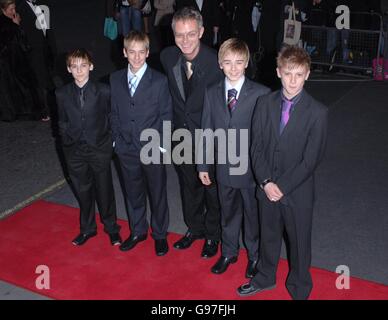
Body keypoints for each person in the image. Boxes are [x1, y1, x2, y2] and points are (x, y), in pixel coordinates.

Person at [237, 45, 328, 300]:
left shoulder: (318, 113)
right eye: (288, 73)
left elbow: (311, 160)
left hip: (297, 193)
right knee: (268, 237)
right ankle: (265, 277)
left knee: (299, 244)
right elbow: (255, 147)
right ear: (278, 72)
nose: (293, 81)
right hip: (266, 188)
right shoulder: (264, 103)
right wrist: (266, 182)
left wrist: (282, 187)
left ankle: (300, 288)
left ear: (307, 74)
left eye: (299, 75)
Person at [198, 38, 270, 277]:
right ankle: (228, 252)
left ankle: (254, 255)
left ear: (247, 63)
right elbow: (206, 130)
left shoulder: (261, 94)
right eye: (227, 62)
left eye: (239, 62)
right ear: (220, 64)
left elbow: (266, 138)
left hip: (251, 170)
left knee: (252, 215)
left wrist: (267, 172)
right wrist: (203, 165)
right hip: (224, 168)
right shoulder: (211, 93)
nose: (233, 67)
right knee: (227, 213)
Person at [160, 7, 223, 258]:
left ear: (202, 32)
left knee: (212, 189)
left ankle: (213, 235)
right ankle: (194, 228)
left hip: (209, 137)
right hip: (181, 135)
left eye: (191, 34)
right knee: (189, 185)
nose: (185, 40)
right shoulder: (166, 57)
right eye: (179, 35)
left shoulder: (217, 62)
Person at [110, 31, 171, 256]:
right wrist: (116, 141)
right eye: (132, 52)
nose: (136, 57)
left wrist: (162, 145)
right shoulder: (115, 79)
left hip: (152, 147)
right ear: (125, 52)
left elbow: (166, 114)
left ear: (147, 52)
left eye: (141, 52)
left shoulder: (159, 80)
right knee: (132, 192)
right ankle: (138, 230)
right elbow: (113, 112)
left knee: (157, 193)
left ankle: (160, 234)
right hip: (126, 148)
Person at [56, 49, 122, 246]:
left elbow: (112, 116)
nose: (79, 70)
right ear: (68, 69)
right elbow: (62, 120)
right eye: (74, 66)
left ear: (91, 66)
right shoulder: (61, 94)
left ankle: (111, 228)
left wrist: (109, 142)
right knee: (82, 190)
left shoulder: (103, 90)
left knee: (104, 190)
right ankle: (88, 229)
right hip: (74, 150)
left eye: (83, 66)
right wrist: (67, 138)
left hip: (99, 148)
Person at [0, 0, 43, 121]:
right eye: (11, 9)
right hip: (9, 63)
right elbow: (10, 42)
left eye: (14, 8)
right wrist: (16, 26)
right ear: (3, 10)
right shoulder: (6, 23)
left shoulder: (11, 19)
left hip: (17, 60)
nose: (14, 12)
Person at [16, 0, 55, 121]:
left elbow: (48, 28)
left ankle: (53, 106)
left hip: (45, 47)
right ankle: (43, 111)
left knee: (47, 77)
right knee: (38, 81)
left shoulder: (43, 4)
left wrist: (52, 47)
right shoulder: (19, 7)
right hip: (32, 50)